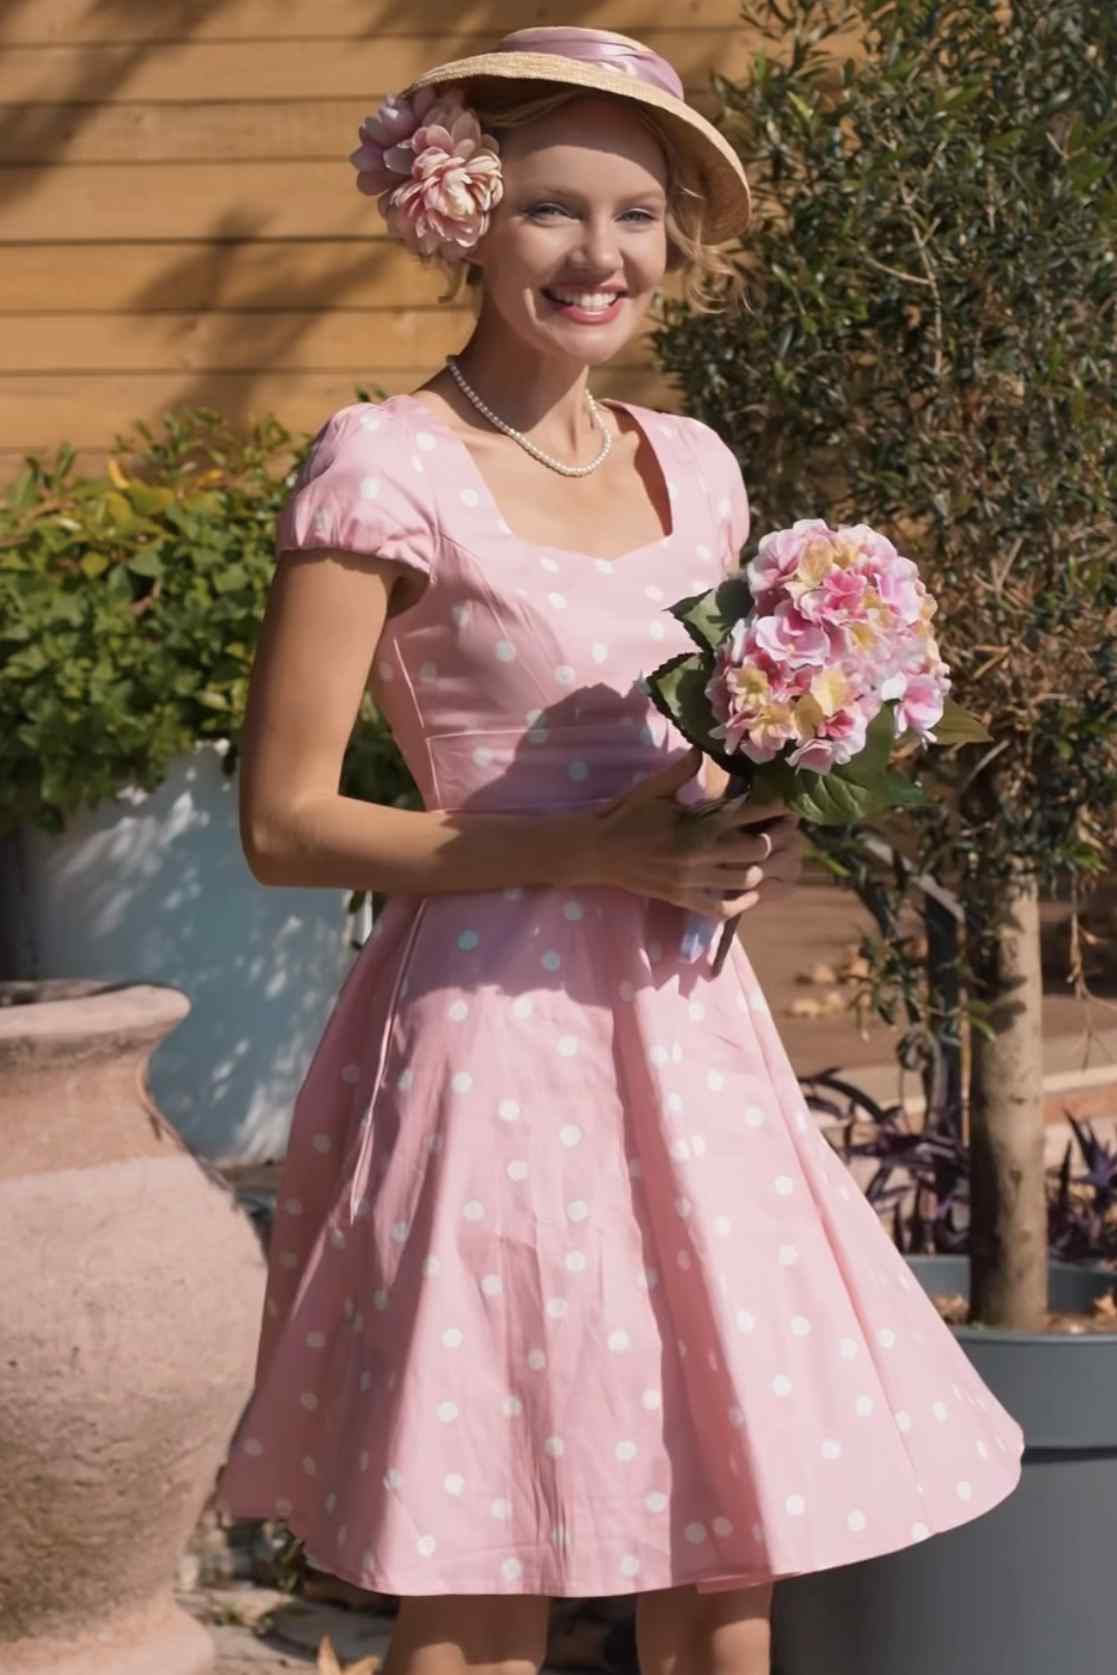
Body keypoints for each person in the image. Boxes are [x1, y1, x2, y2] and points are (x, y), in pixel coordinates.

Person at [215, 27, 1024, 1675]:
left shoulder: (703, 471)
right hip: (486, 1044)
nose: (602, 257)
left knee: (728, 1566)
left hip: (688, 1037)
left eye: (639, 218)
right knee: (481, 1582)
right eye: (552, 211)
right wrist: (587, 849)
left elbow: (704, 759)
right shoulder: (384, 463)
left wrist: (762, 807)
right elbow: (286, 823)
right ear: (463, 217)